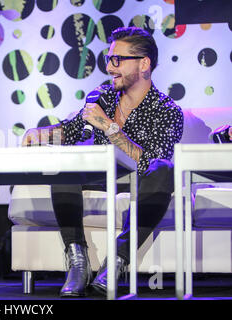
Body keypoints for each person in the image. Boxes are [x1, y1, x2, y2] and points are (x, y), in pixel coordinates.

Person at [22, 26, 184, 297]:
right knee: (63, 164)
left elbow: (151, 162)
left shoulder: (168, 111)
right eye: (109, 59)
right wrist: (40, 134)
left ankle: (118, 260)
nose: (110, 67)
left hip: (137, 182)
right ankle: (78, 262)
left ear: (144, 64)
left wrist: (109, 127)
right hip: (99, 177)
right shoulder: (103, 96)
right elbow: (71, 130)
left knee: (164, 170)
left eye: (118, 60)